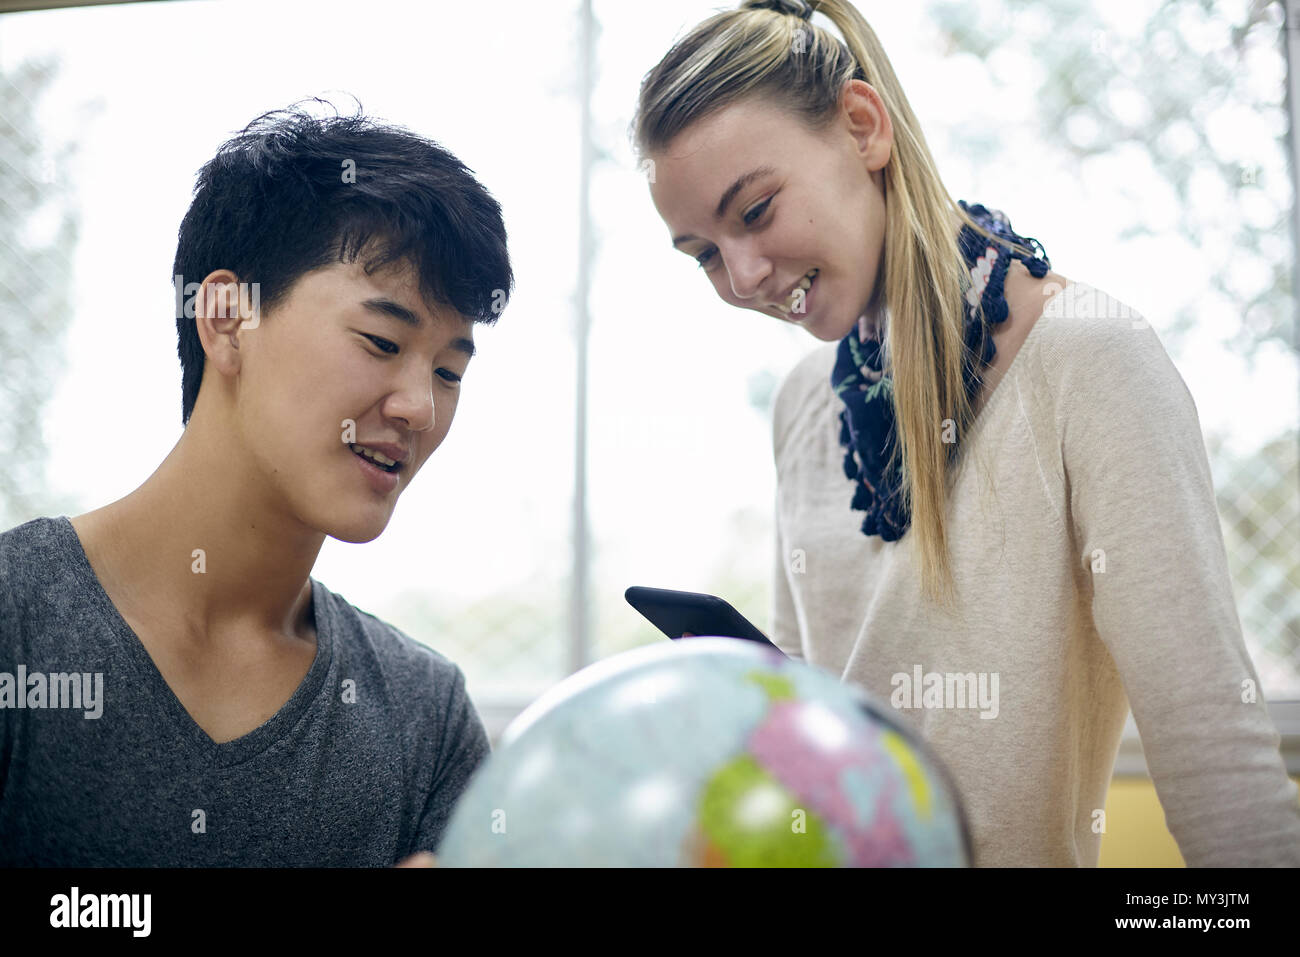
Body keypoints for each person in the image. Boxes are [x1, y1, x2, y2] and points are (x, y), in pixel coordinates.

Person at [631, 0, 1300, 866]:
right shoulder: (803, 402)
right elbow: (818, 736)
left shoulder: (1093, 360)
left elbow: (1220, 762)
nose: (744, 276)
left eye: (754, 211)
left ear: (863, 128)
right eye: (704, 254)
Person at [0, 101, 513, 866]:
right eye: (382, 341)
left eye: (449, 372)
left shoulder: (424, 717)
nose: (420, 407)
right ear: (226, 318)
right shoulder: (19, 622)